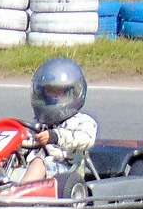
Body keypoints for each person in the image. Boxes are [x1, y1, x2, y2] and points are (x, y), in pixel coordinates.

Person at [9, 56, 98, 185]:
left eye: (58, 92)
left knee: (40, 162)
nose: (53, 98)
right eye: (49, 92)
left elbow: (85, 139)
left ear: (72, 93)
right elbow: (27, 141)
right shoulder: (39, 124)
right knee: (6, 159)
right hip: (34, 168)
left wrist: (56, 136)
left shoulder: (83, 122)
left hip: (66, 171)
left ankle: (18, 194)